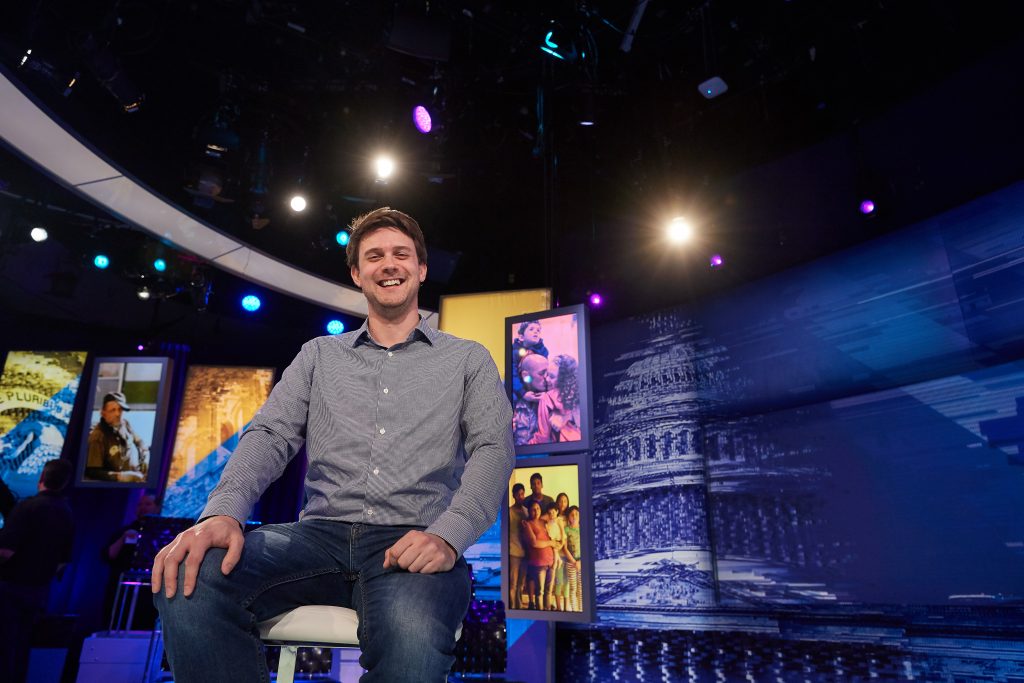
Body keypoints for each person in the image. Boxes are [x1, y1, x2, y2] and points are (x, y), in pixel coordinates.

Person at [152, 207, 515, 683]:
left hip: (412, 539)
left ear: (421, 269)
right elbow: (270, 435)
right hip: (315, 538)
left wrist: (450, 534)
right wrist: (223, 512)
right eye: (375, 256)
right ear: (357, 274)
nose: (389, 264)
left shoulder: (468, 359)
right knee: (190, 576)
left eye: (401, 254)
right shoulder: (319, 355)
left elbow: (494, 449)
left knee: (411, 643)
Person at [0, 459, 75, 683]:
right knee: (22, 648)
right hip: (39, 592)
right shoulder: (67, 513)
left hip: (9, 590)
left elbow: (5, 552)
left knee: (3, 649)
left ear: (41, 477)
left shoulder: (27, 507)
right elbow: (63, 563)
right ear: (65, 483)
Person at [103, 492, 161, 629]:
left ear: (157, 508)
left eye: (148, 504)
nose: (143, 508)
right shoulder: (126, 531)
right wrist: (123, 538)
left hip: (148, 592)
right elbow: (108, 555)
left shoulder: (163, 533)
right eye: (140, 504)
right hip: (122, 591)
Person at [85, 391, 150, 482]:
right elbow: (92, 472)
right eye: (113, 410)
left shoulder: (125, 424)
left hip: (137, 477)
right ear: (103, 413)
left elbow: (139, 440)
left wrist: (145, 454)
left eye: (120, 410)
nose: (117, 414)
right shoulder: (98, 437)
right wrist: (121, 477)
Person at [530, 355, 582, 444]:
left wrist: (521, 449)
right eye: (546, 373)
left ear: (563, 379)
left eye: (552, 376)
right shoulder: (582, 391)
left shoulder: (546, 399)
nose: (546, 378)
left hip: (563, 450)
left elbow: (543, 438)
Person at [507, 483, 528, 609]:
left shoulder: (527, 511)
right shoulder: (509, 512)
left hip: (526, 553)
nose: (521, 496)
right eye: (518, 494)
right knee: (513, 583)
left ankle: (519, 607)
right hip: (514, 552)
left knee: (521, 583)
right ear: (514, 496)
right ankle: (513, 608)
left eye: (522, 494)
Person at [564, 505, 583, 612]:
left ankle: (580, 610)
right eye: (572, 515)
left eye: (576, 514)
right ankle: (575, 611)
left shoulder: (583, 529)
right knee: (573, 588)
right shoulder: (566, 529)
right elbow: (565, 548)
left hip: (582, 563)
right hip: (571, 562)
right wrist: (574, 561)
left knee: (581, 589)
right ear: (568, 517)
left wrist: (580, 562)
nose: (574, 516)